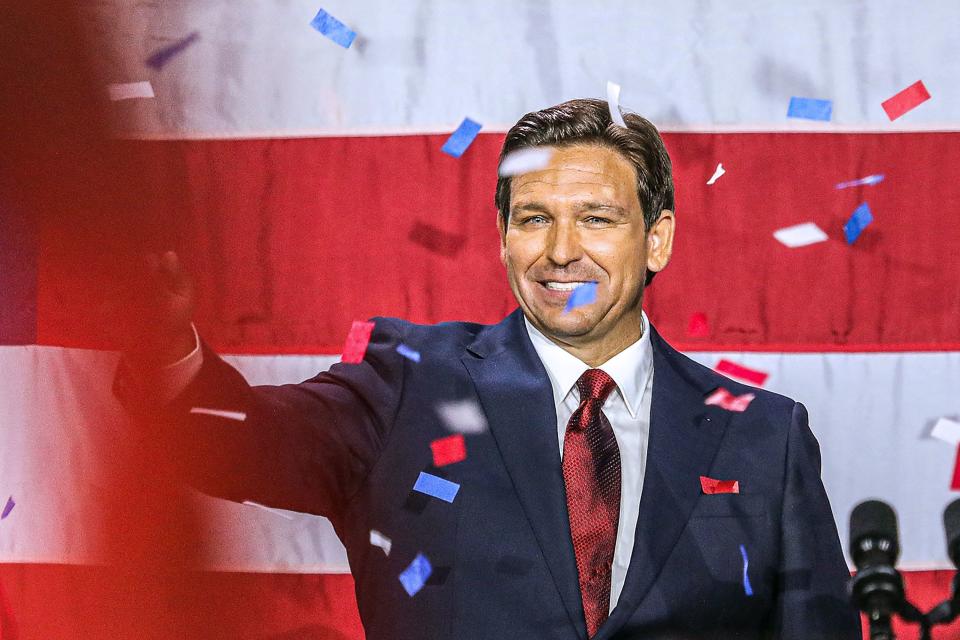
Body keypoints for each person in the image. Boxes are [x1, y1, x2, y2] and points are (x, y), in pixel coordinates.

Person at [117, 98, 861, 639]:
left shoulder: (766, 435)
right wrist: (160, 343)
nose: (561, 250)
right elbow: (231, 443)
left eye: (597, 218)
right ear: (503, 237)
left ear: (657, 239)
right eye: (534, 218)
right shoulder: (404, 383)